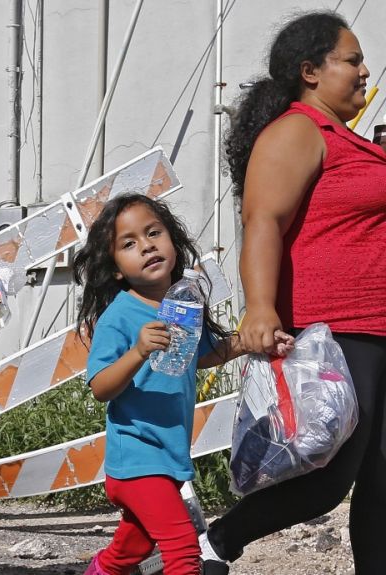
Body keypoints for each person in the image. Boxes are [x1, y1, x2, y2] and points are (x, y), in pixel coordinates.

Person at [198, 12, 386, 574]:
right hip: (338, 328)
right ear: (310, 71)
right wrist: (260, 307)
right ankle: (217, 542)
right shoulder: (298, 132)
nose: (364, 70)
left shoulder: (349, 142)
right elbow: (262, 221)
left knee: (382, 480)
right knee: (325, 483)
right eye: (351, 60)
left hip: (379, 328)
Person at [71, 195, 278, 575]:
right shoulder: (119, 315)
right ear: (116, 268)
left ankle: (101, 570)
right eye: (129, 243)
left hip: (168, 457)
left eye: (154, 233)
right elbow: (100, 386)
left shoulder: (181, 304)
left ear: (172, 242)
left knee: (129, 549)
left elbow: (202, 356)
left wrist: (253, 342)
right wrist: (137, 352)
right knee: (183, 551)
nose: (147, 245)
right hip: (137, 459)